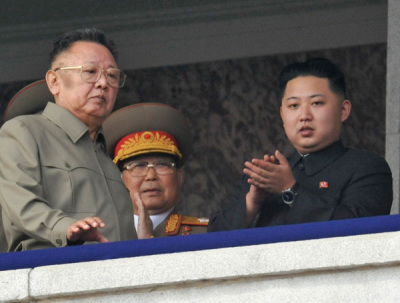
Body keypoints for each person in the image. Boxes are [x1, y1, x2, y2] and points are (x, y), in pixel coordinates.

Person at [208, 57, 393, 232]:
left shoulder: (366, 167)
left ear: (343, 110)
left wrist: (290, 191)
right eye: (294, 105)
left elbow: (360, 232)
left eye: (317, 103)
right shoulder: (264, 174)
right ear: (282, 114)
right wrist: (251, 204)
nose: (304, 115)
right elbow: (212, 243)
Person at [0, 28, 136, 251]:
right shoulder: (23, 131)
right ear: (54, 82)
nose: (103, 83)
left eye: (112, 75)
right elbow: (21, 204)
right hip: (51, 276)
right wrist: (65, 227)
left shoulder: (107, 156)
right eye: (90, 71)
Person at [103, 102, 208, 238]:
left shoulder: (206, 235)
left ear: (179, 177)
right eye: (139, 166)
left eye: (162, 165)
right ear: (119, 180)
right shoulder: (101, 239)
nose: (151, 175)